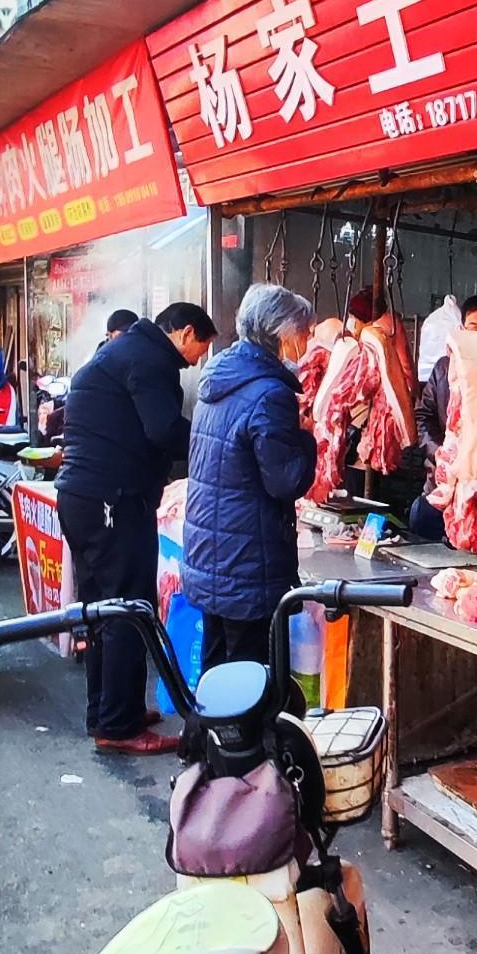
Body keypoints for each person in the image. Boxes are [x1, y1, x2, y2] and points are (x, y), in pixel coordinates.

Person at [57, 302, 216, 754]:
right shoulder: (150, 360)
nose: (197, 360)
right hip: (112, 500)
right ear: (185, 333)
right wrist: (214, 437)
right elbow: (162, 429)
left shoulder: (123, 351)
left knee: (100, 609)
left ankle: (106, 711)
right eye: (200, 349)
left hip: (85, 496)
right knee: (127, 608)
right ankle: (120, 726)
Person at [181, 284, 317, 671]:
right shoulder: (269, 394)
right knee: (246, 674)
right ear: (283, 334)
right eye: (304, 334)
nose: (306, 344)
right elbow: (285, 482)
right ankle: (239, 734)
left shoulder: (220, 378)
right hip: (245, 563)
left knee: (217, 667)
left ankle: (206, 733)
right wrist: (306, 437)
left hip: (213, 553)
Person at [409, 294, 477, 546]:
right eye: (474, 327)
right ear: (461, 329)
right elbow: (423, 415)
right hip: (440, 486)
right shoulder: (443, 368)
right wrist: (441, 453)